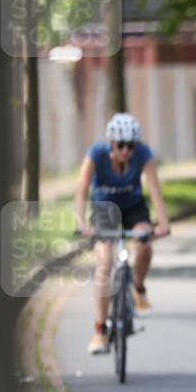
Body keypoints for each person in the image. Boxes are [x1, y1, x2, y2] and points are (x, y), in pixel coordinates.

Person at [75, 113, 170, 355]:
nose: (126, 151)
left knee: (144, 244)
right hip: (104, 208)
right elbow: (81, 191)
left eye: (131, 145)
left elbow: (155, 190)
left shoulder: (144, 155)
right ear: (111, 143)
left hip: (133, 207)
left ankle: (138, 289)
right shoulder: (95, 154)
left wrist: (163, 223)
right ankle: (100, 330)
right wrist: (82, 224)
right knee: (105, 261)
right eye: (121, 145)